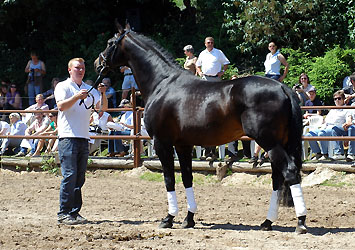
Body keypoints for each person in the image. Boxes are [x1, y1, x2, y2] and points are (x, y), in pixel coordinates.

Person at [54, 57, 107, 225]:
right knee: (69, 176)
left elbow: (102, 108)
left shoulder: (89, 89)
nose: (81, 70)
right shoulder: (63, 86)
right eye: (77, 67)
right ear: (70, 70)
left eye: (82, 67)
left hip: (84, 137)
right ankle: (63, 213)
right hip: (68, 136)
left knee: (79, 178)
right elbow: (61, 106)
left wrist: (103, 94)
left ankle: (74, 212)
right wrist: (77, 97)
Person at [195, 36, 230, 160]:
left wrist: (222, 72)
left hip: (216, 79)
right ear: (205, 44)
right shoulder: (202, 54)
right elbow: (197, 64)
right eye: (208, 42)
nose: (210, 44)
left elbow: (226, 63)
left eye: (211, 42)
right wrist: (199, 72)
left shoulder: (218, 52)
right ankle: (206, 151)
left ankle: (211, 152)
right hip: (205, 78)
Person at [305, 90, 351, 161]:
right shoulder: (332, 109)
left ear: (343, 99)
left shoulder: (347, 109)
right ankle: (317, 153)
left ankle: (325, 154)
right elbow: (325, 120)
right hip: (325, 126)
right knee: (309, 135)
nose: (337, 100)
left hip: (335, 129)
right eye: (335, 99)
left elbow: (348, 121)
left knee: (321, 134)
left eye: (339, 98)